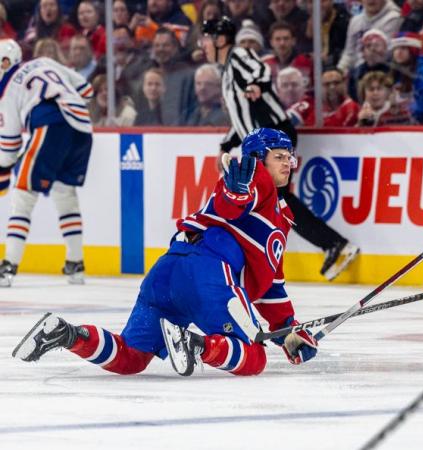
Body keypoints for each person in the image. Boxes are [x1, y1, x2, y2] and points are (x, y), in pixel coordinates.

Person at [12, 128, 319, 377]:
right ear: (257, 159)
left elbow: (271, 284)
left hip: (168, 271)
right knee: (253, 358)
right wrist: (235, 190)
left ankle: (68, 335)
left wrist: (287, 331)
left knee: (130, 358)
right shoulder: (255, 177)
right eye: (278, 156)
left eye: (289, 157)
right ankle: (197, 345)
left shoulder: (281, 213)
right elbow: (232, 201)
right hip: (208, 273)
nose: (286, 163)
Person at [202, 16, 359, 281]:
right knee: (272, 198)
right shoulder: (227, 71)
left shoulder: (238, 55)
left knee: (275, 198)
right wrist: (226, 144)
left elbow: (261, 71)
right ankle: (328, 245)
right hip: (263, 140)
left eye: (206, 38)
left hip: (274, 137)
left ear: (219, 39)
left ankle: (333, 244)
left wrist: (257, 86)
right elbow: (243, 119)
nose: (203, 44)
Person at [0, 39, 93, 286]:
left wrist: (4, 169)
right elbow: (87, 91)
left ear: (4, 63)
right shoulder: (45, 61)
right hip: (82, 127)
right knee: (65, 193)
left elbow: (9, 145)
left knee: (22, 194)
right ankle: (76, 264)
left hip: (50, 124)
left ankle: (8, 265)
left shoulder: (7, 89)